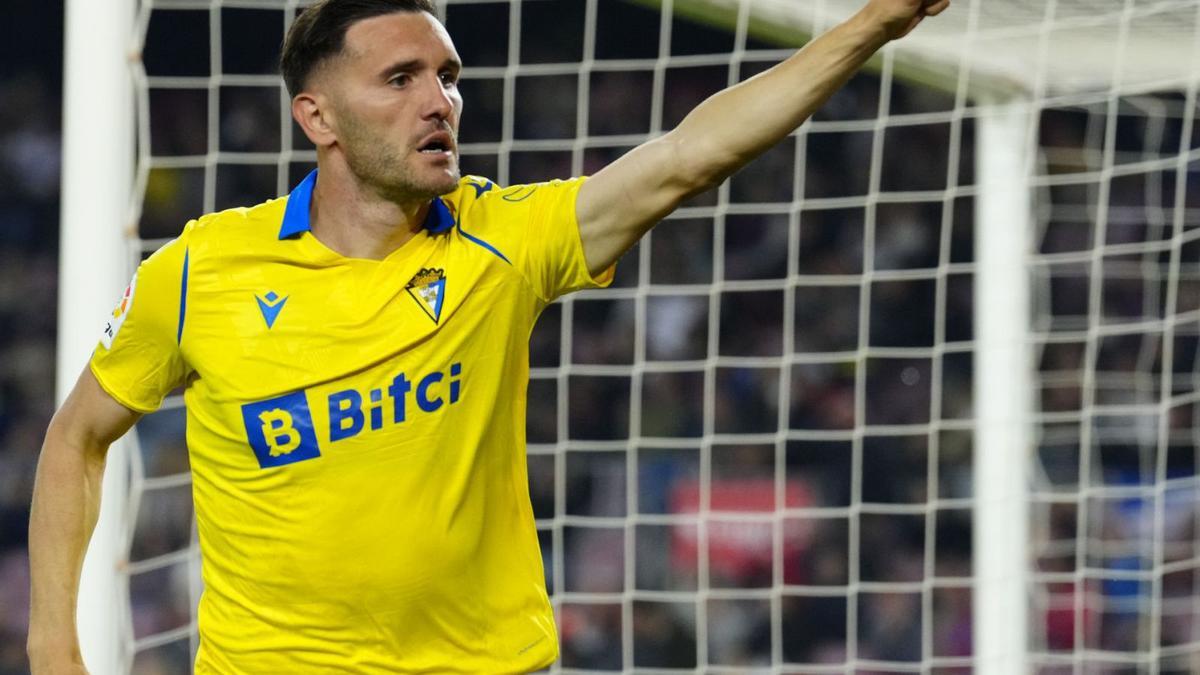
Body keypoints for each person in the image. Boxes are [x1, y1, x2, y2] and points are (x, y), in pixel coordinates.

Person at [27, 0, 949, 671]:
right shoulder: (202, 270)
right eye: (401, 79)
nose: (441, 102)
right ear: (318, 117)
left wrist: (869, 27)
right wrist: (54, 645)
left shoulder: (501, 238)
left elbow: (687, 155)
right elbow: (76, 439)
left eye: (448, 77)